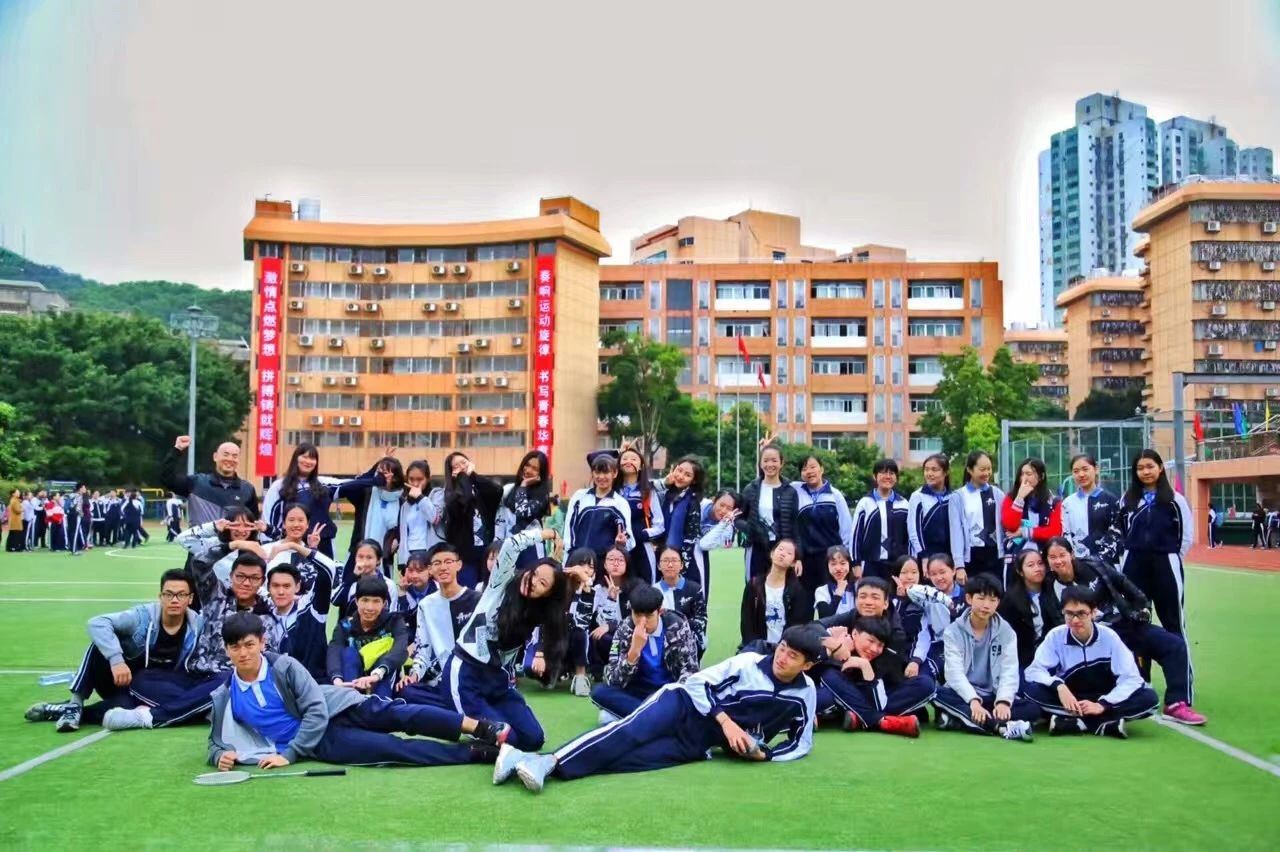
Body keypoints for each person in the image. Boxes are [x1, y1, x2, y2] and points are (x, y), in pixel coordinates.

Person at [492, 626, 822, 793]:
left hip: (698, 743)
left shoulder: (804, 693)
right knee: (626, 734)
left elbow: (801, 742)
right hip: (680, 703)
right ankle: (546, 762)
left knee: (631, 760)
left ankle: (521, 759)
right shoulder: (748, 663)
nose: (782, 657)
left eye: (793, 656)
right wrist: (727, 723)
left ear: (807, 665)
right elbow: (696, 683)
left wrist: (766, 754)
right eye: (782, 648)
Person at [208, 613, 510, 772]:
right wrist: (220, 756)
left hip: (340, 706)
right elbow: (215, 741)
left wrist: (289, 754)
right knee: (392, 749)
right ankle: (476, 753)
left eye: (249, 644)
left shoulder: (284, 666)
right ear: (226, 650)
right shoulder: (224, 694)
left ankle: (481, 728)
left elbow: (315, 709)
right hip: (321, 742)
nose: (243, 653)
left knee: (401, 714)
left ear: (262, 642)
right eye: (235, 647)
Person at [101, 543, 274, 732]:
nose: (246, 583)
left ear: (262, 581)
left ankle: (151, 717)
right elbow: (199, 562)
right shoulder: (217, 596)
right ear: (231, 576)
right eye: (240, 576)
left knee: (227, 682)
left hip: (227, 680)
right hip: (191, 675)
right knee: (142, 679)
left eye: (254, 578)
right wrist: (234, 544)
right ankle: (206, 709)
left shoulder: (268, 616)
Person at [1042, 537, 1205, 725]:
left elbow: (1123, 583)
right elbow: (1059, 624)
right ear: (1047, 561)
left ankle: (1176, 703)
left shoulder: (1094, 566)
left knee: (1173, 645)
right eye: (1052, 557)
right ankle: (1098, 713)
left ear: (1071, 554)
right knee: (1127, 680)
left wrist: (1142, 607)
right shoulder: (1049, 588)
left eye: (1062, 555)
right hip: (1096, 641)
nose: (1058, 561)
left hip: (1125, 624)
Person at [25, 569, 203, 733]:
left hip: (148, 687)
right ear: (160, 596)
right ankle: (75, 703)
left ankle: (64, 710)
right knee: (100, 645)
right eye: (168, 594)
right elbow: (97, 623)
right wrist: (116, 660)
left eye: (181, 595)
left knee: (122, 707)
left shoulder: (198, 626)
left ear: (190, 598)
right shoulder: (142, 617)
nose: (174, 600)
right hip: (118, 677)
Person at [438, 527, 567, 751]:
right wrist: (548, 534)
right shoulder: (502, 582)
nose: (534, 581)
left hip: (497, 682)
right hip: (465, 675)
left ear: (547, 595)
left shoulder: (537, 612)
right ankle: (475, 731)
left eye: (543, 584)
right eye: (535, 573)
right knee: (509, 740)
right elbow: (511, 545)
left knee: (534, 738)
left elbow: (561, 601)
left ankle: (491, 730)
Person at [1024, 585, 1160, 738]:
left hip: (1106, 696)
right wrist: (1059, 686)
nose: (1075, 620)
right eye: (1069, 614)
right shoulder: (1055, 636)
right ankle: (1104, 724)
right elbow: (1033, 671)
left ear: (1094, 613)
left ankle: (1077, 723)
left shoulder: (1109, 637)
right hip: (1071, 698)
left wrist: (1103, 704)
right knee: (1030, 690)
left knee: (1149, 698)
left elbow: (1131, 678)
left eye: (1081, 613)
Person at [932, 573, 1038, 741]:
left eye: (992, 600)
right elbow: (954, 673)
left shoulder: (1006, 632)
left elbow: (1009, 671)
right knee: (936, 693)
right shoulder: (953, 631)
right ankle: (999, 727)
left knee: (1032, 709)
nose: (986, 605)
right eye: (981, 598)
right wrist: (973, 701)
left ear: (998, 603)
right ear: (969, 598)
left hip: (992, 696)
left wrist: (1003, 702)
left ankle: (959, 719)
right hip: (963, 694)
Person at [591, 585, 701, 723]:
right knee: (599, 693)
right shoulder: (624, 629)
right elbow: (613, 680)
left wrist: (673, 697)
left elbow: (690, 670)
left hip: (668, 694)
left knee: (609, 719)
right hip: (637, 694)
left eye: (649, 616)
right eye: (637, 615)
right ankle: (657, 720)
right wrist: (633, 652)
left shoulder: (677, 625)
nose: (642, 622)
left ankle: (646, 720)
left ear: (660, 611)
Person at [1119, 450, 1193, 645]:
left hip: (1165, 563)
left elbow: (1185, 535)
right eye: (1140, 468)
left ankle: (1181, 665)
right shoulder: (1127, 500)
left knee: (1173, 621)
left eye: (1150, 466)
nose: (1145, 472)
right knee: (1134, 621)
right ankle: (1137, 666)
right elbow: (1122, 532)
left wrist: (1171, 558)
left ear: (1160, 468)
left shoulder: (1175, 500)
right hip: (1134, 563)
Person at [398, 543, 483, 707]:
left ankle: (452, 710)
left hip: (473, 679)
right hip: (442, 679)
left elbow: (482, 647)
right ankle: (457, 708)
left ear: (459, 565)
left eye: (448, 562)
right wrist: (414, 676)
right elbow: (423, 650)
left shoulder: (477, 600)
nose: (443, 567)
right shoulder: (426, 605)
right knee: (406, 690)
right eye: (437, 563)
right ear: (430, 569)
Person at [811, 615, 925, 738]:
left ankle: (860, 719)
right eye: (870, 641)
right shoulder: (837, 638)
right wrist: (832, 649)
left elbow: (879, 705)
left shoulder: (881, 659)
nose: (874, 649)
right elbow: (803, 643)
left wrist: (865, 666)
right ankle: (880, 721)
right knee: (829, 681)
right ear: (854, 633)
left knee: (924, 684)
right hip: (811, 690)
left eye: (880, 645)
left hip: (848, 702)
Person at [262, 521, 335, 683]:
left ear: (298, 586)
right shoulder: (263, 617)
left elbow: (329, 569)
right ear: (268, 588)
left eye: (287, 586)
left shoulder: (311, 610)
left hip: (315, 686)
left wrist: (295, 546)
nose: (281, 591)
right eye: (275, 586)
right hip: (276, 687)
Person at [326, 575, 408, 699]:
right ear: (356, 601)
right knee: (348, 652)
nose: (370, 607)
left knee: (386, 656)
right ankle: (351, 699)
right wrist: (337, 679)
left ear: (384, 603)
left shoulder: (394, 621)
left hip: (381, 676)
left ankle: (381, 702)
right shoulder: (345, 625)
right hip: (353, 680)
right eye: (365, 600)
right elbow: (334, 651)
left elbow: (401, 649)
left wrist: (376, 675)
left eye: (376, 601)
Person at [437, 451, 504, 587]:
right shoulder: (451, 494)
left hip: (486, 550)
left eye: (464, 462)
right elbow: (465, 500)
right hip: (465, 553)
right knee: (469, 589)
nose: (462, 467)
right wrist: (463, 477)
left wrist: (473, 475)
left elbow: (497, 491)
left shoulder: (479, 487)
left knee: (487, 588)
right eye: (456, 466)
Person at [333, 452, 405, 578]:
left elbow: (402, 529)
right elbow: (346, 488)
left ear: (395, 477)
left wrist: (397, 540)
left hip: (383, 558)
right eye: (378, 472)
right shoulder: (366, 493)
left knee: (381, 589)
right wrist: (373, 476)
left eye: (384, 473)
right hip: (358, 554)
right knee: (350, 587)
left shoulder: (401, 501)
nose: (380, 475)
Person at [161, 434, 258, 527]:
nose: (230, 459)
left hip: (233, 539)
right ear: (215, 457)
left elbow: (252, 524)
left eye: (234, 456)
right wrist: (177, 450)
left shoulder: (247, 489)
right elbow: (167, 479)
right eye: (226, 454)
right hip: (200, 538)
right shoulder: (197, 482)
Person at [262, 443, 338, 559]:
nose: (308, 461)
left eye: (312, 458)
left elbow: (352, 484)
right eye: (304, 457)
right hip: (290, 544)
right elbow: (269, 517)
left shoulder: (324, 483)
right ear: (295, 458)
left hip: (322, 544)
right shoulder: (279, 486)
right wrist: (268, 543)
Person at [791, 454, 852, 595]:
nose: (809, 471)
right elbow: (775, 477)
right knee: (805, 602)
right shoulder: (796, 490)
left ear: (822, 469)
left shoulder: (835, 495)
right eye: (804, 469)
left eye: (813, 467)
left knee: (831, 601)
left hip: (831, 559)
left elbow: (846, 529)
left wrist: (846, 558)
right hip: (806, 560)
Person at [563, 452, 634, 573]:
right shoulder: (579, 497)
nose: (601, 477)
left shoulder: (620, 503)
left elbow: (629, 539)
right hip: (577, 561)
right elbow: (569, 531)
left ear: (615, 473)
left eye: (606, 472)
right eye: (597, 472)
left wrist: (622, 542)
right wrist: (568, 559)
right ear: (592, 473)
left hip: (603, 565)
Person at [737, 443, 798, 581]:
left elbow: (795, 525)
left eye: (774, 460)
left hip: (781, 549)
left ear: (781, 463)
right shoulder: (750, 489)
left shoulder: (790, 491)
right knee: (754, 587)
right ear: (760, 463)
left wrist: (798, 556)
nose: (770, 464)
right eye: (765, 460)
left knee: (781, 586)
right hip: (756, 547)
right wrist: (751, 528)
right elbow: (738, 518)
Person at [740, 539, 812, 653]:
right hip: (756, 649)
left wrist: (781, 649)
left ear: (793, 563)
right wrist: (755, 648)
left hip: (784, 651)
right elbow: (746, 622)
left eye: (789, 553)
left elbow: (796, 626)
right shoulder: (754, 585)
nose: (782, 554)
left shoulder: (797, 591)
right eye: (780, 549)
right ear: (772, 554)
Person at [998, 548, 1063, 671]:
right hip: (1024, 659)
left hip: (1054, 653)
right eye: (1030, 565)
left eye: (1040, 563)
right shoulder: (1011, 600)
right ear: (1020, 571)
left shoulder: (1053, 588)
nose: (1037, 568)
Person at [1000, 457, 1063, 578]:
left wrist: (1024, 532)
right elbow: (1010, 525)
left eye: (1029, 474)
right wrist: (1020, 498)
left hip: (1044, 557)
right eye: (1022, 474)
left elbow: (1055, 531)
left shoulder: (1054, 502)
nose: (1024, 478)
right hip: (1016, 557)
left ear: (1041, 476)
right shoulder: (1010, 498)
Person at [1059, 453, 1125, 568]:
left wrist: (1100, 559)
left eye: (1085, 469)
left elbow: (1116, 534)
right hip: (1077, 565)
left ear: (1096, 469)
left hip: (1106, 566)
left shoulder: (1111, 500)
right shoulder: (1067, 503)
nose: (1081, 474)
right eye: (1076, 471)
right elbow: (1065, 533)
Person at [948, 450, 1005, 579]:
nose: (987, 473)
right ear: (969, 469)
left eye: (989, 469)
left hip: (995, 556)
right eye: (982, 469)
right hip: (971, 557)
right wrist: (959, 565)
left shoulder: (997, 494)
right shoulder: (958, 497)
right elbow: (956, 532)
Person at [850, 459, 910, 579]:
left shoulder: (904, 504)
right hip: (871, 565)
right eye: (883, 473)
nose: (888, 476)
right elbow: (856, 536)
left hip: (898, 565)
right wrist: (856, 563)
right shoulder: (865, 503)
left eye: (892, 473)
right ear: (875, 476)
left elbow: (908, 537)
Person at [617, 445, 665, 584]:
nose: (628, 461)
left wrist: (641, 534)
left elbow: (660, 525)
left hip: (642, 548)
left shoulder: (648, 491)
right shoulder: (613, 491)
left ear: (641, 465)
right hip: (617, 549)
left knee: (647, 586)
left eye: (633, 459)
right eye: (624, 458)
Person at [498, 451, 553, 569]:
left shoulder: (541, 495)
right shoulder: (510, 489)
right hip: (510, 545)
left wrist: (523, 485)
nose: (528, 470)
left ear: (541, 474)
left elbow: (522, 511)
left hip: (531, 547)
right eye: (527, 465)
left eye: (535, 468)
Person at [657, 455, 706, 586]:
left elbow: (691, 537)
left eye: (687, 475)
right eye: (679, 470)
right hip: (663, 556)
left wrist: (681, 567)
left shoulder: (692, 502)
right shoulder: (666, 495)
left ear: (694, 481)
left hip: (682, 561)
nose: (680, 476)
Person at [654, 545, 707, 658]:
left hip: (689, 643)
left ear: (682, 565)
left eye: (674, 560)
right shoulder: (653, 591)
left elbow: (701, 620)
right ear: (658, 565)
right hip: (660, 646)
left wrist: (676, 623)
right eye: (665, 561)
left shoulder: (694, 589)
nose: (670, 565)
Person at [331, 539, 401, 615]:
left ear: (378, 560)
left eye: (369, 557)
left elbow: (391, 614)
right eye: (360, 557)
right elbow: (335, 600)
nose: (364, 561)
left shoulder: (389, 585)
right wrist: (353, 577)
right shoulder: (351, 582)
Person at [695, 489, 741, 599]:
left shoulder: (727, 529)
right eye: (721, 505)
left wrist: (723, 524)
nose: (723, 510)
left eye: (729, 508)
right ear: (714, 501)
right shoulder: (699, 505)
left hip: (700, 558)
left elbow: (704, 545)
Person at [907, 453, 953, 564]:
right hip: (925, 558)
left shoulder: (953, 497)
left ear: (945, 472)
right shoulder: (918, 496)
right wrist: (923, 555)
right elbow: (914, 531)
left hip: (948, 557)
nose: (929, 473)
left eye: (934, 470)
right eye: (926, 470)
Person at [813, 545, 856, 619]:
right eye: (833, 564)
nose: (838, 568)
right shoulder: (822, 590)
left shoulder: (857, 588)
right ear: (827, 567)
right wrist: (839, 593)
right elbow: (824, 616)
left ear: (849, 565)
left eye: (843, 563)